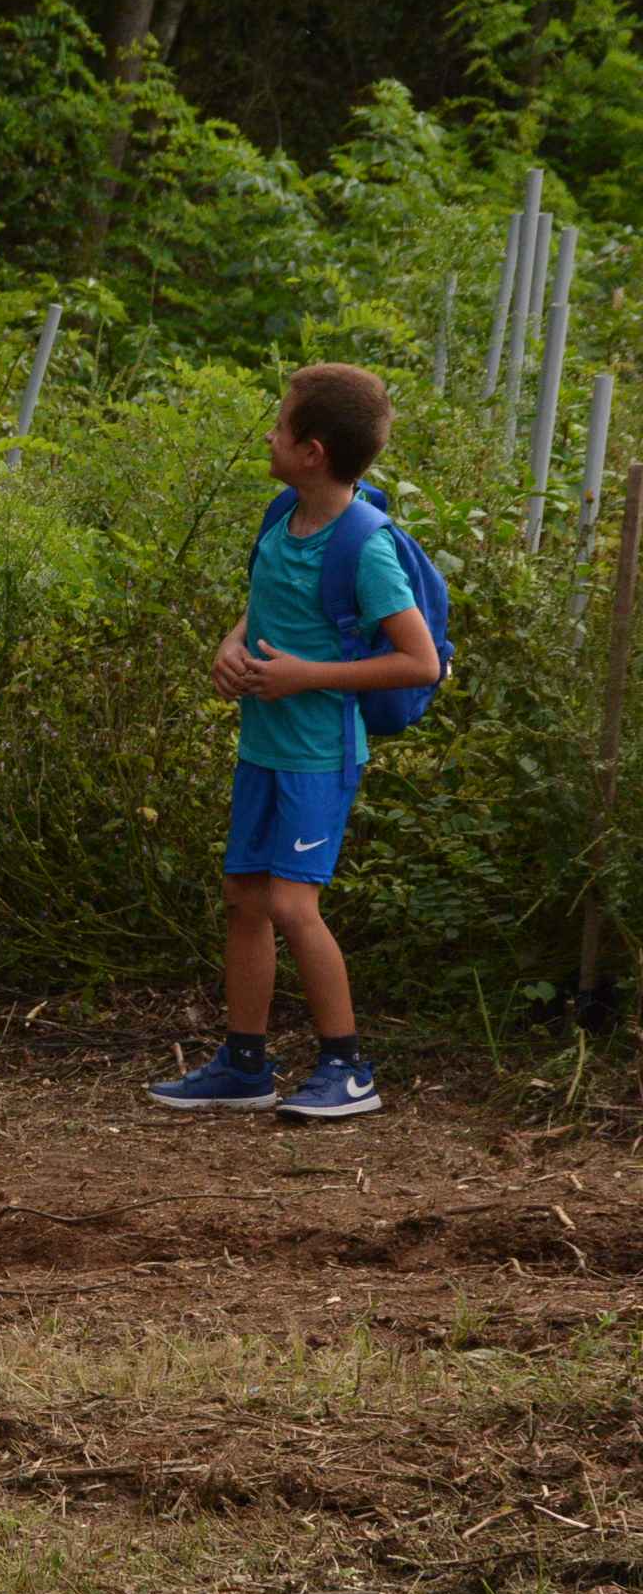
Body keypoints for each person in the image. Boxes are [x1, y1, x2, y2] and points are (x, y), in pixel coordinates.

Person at [149, 363, 443, 1122]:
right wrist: (230, 642)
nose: (269, 436)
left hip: (318, 753)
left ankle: (348, 1069)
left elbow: (420, 659)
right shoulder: (284, 515)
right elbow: (268, 607)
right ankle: (244, 1064)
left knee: (290, 902)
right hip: (264, 746)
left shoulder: (365, 546)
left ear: (312, 450)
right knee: (244, 896)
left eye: (280, 426)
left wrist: (306, 676)